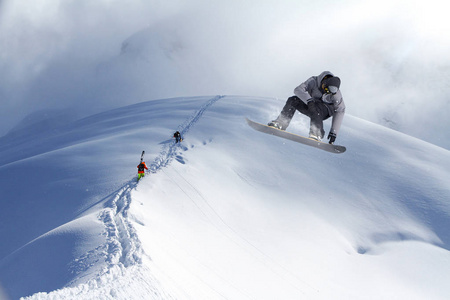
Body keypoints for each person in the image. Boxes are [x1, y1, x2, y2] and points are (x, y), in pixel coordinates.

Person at [268, 71, 345, 144]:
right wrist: (309, 100)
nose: (326, 92)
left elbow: (340, 110)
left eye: (331, 92)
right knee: (293, 100)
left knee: (316, 108)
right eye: (326, 89)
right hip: (311, 105)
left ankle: (317, 132)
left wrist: (334, 132)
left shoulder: (336, 94)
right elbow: (297, 89)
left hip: (325, 110)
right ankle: (281, 123)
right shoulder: (313, 81)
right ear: (324, 83)